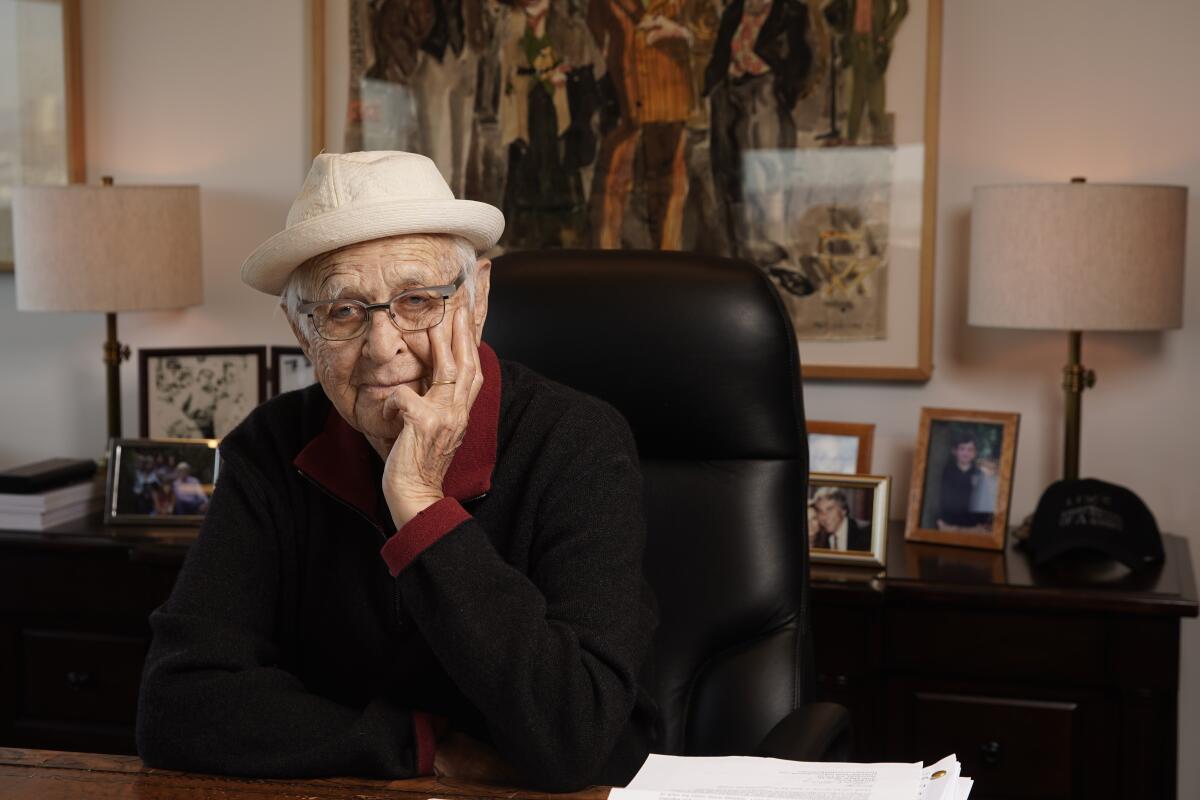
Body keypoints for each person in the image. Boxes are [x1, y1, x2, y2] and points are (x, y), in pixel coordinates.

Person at [136, 151, 658, 791]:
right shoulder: (270, 447)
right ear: (302, 332)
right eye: (344, 311)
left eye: (416, 300)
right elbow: (177, 704)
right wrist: (419, 746)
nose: (384, 349)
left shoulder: (576, 441)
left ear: (477, 298)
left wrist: (420, 505)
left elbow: (574, 734)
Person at [935, 432, 993, 531]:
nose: (966, 453)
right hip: (949, 524)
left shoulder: (979, 474)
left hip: (973, 526)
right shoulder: (947, 472)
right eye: (962, 449)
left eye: (970, 450)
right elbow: (940, 496)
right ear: (955, 451)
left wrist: (983, 522)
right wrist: (940, 519)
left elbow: (984, 501)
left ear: (975, 453)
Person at [810, 486, 870, 551]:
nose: (824, 517)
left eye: (830, 509)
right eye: (820, 511)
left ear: (843, 510)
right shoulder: (820, 538)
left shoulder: (867, 532)